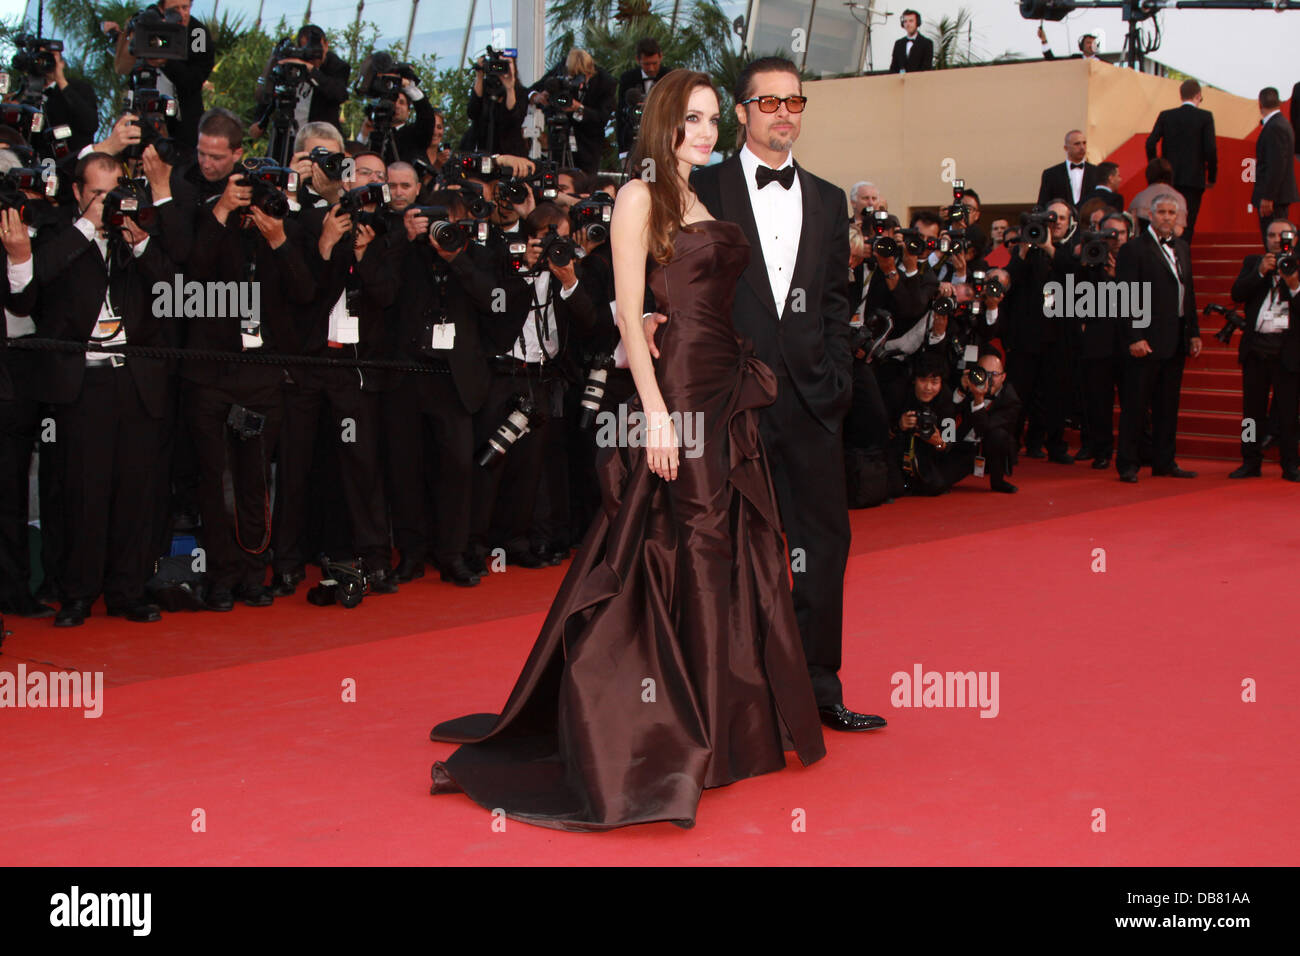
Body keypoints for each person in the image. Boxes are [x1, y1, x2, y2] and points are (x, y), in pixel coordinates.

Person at [428, 69, 827, 831]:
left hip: (721, 379)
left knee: (720, 543)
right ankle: (690, 729)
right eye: (690, 120)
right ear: (661, 123)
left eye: (713, 120)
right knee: (699, 534)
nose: (705, 132)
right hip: (676, 388)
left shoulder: (708, 195)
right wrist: (655, 415)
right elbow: (629, 312)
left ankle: (731, 724)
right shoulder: (639, 197)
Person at [688, 56, 885, 731]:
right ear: (741, 113)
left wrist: (834, 378)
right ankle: (738, 689)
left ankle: (817, 685)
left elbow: (834, 301)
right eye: (768, 103)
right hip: (728, 401)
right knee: (730, 542)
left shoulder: (829, 199)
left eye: (794, 102)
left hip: (809, 398)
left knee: (822, 543)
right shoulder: (701, 188)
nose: (783, 114)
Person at [1115, 194, 1202, 482]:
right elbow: (1125, 297)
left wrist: (1194, 332)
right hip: (1145, 341)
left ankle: (1165, 461)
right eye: (1161, 212)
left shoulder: (1183, 248)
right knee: (1135, 406)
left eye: (1171, 213)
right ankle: (1127, 464)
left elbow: (1187, 293)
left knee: (1168, 406)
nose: (1166, 217)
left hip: (1175, 339)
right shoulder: (1133, 250)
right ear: (1150, 215)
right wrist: (1134, 337)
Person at [1228, 219, 1300, 481]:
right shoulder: (1252, 262)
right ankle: (1250, 461)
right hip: (1256, 350)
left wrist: (1293, 283)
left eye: (1282, 235)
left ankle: (1291, 464)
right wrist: (1259, 272)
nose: (1276, 239)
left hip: (1287, 352)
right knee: (1251, 415)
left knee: (1290, 414)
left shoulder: (1297, 266)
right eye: (1271, 235)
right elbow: (1237, 294)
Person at [1145, 80, 1216, 244]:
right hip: (1194, 180)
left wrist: (1156, 170)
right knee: (1187, 224)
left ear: (1181, 95)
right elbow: (1210, 150)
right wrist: (1211, 176)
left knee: (1164, 220)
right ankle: (1182, 260)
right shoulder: (1205, 117)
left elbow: (1150, 143)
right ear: (1198, 96)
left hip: (1167, 180)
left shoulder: (1166, 115)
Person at [1253, 87, 1298, 242]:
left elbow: (1276, 165)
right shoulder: (1280, 124)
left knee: (1275, 243)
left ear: (1260, 104)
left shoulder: (1275, 127)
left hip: (1274, 200)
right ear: (1278, 102)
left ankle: (1277, 266)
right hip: (1276, 198)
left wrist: (1268, 196)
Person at [1038, 130, 1097, 208]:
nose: (1082, 147)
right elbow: (1042, 204)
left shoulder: (1096, 172)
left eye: (1084, 143)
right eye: (1077, 144)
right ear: (1066, 148)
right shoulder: (1051, 174)